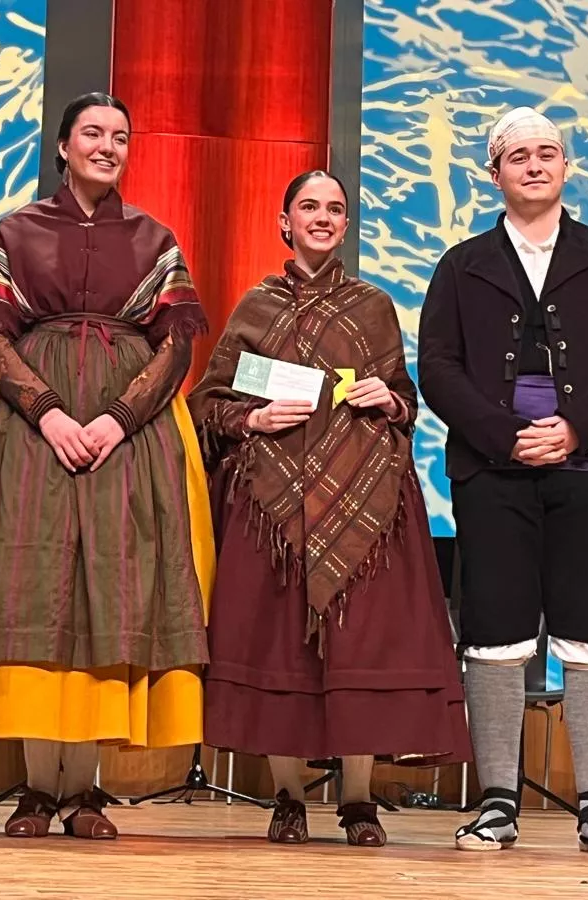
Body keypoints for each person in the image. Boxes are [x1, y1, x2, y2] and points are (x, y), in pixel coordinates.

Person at [0, 92, 213, 840]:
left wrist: (116, 417)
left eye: (120, 136)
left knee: (114, 594)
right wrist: (46, 410)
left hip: (131, 435)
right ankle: (38, 788)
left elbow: (177, 340)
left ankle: (88, 789)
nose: (108, 146)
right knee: (33, 592)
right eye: (93, 134)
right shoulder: (18, 230)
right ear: (64, 146)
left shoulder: (153, 237)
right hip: (29, 431)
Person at [190, 171, 470, 848]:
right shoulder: (256, 307)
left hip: (366, 502)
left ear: (346, 225)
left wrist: (390, 399)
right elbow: (209, 403)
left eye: (334, 209)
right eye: (308, 207)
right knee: (277, 645)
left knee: (358, 648)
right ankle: (287, 798)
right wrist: (254, 418)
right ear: (284, 221)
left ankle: (358, 798)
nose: (322, 217)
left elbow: (404, 401)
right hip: (271, 502)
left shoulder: (373, 307)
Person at [418, 107, 588, 856]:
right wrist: (505, 438)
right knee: (494, 632)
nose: (534, 165)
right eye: (518, 155)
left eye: (547, 153)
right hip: (493, 472)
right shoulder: (461, 265)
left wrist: (573, 428)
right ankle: (498, 802)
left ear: (566, 168)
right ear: (493, 173)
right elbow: (438, 368)